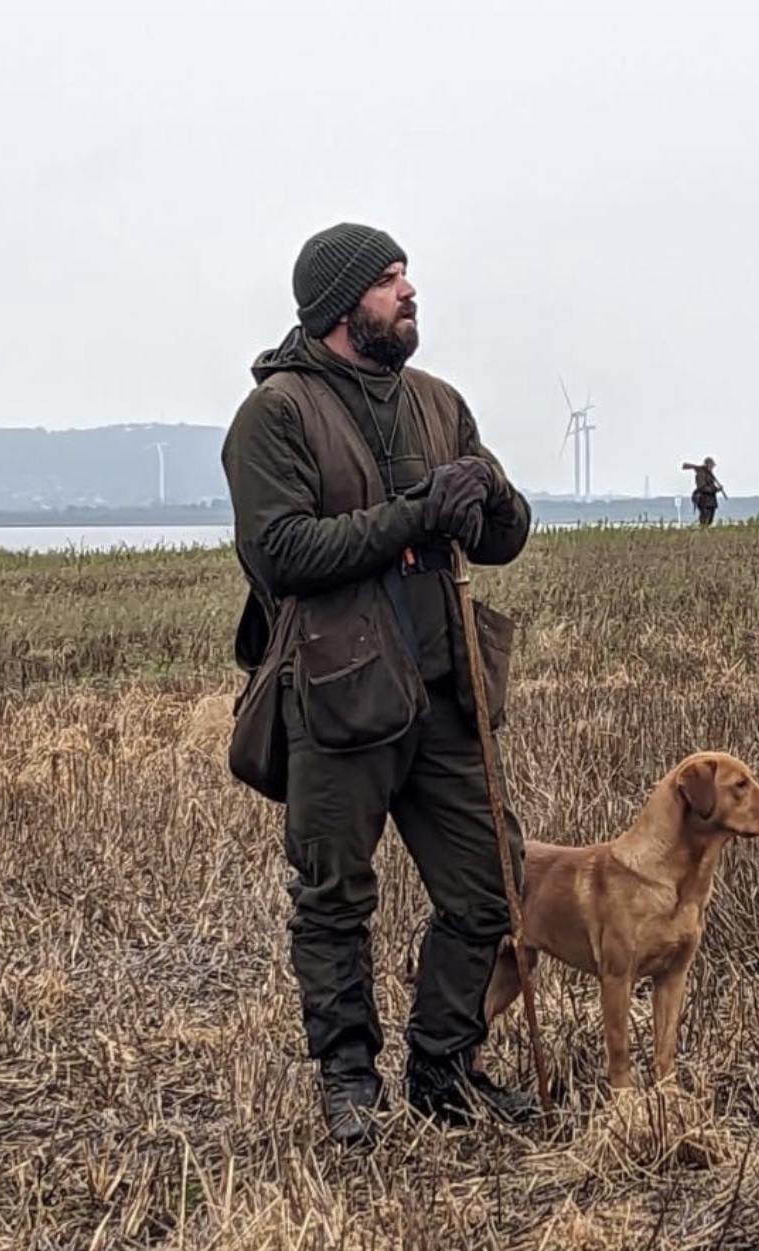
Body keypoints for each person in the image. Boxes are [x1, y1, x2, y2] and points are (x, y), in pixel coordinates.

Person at [220, 222, 538, 1150]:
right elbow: (279, 553)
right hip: (338, 693)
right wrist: (413, 513)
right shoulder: (276, 414)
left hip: (448, 696)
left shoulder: (439, 403)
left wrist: (488, 496)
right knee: (334, 898)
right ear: (338, 305)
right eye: (389, 279)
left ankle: (444, 1070)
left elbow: (502, 537)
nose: (409, 291)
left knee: (493, 886)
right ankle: (349, 1083)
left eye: (406, 275)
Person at [682, 456, 726, 526]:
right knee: (704, 521)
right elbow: (702, 487)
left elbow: (710, 486)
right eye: (712, 465)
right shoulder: (701, 473)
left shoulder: (708, 474)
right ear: (708, 464)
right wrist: (715, 489)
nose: (712, 467)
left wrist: (717, 489)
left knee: (709, 521)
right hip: (704, 501)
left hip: (710, 501)